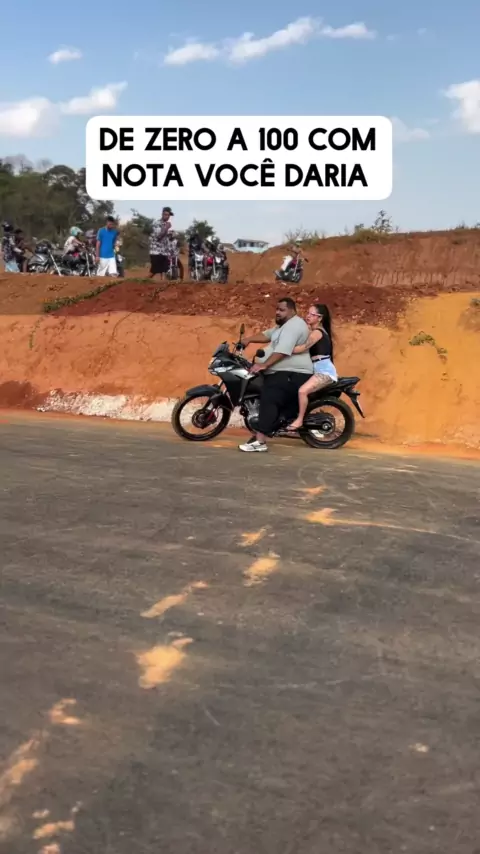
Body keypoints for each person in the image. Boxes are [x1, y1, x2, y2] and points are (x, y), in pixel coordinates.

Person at [238, 297, 313, 452]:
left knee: (269, 396)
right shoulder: (283, 326)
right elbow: (267, 335)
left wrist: (264, 365)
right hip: (284, 372)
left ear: (292, 311)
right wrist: (248, 340)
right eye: (277, 309)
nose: (278, 312)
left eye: (282, 310)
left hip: (293, 373)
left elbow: (282, 351)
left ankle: (260, 441)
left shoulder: (294, 326)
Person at [287, 304, 337, 431]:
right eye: (308, 313)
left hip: (324, 371)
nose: (308, 316)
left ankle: (299, 420)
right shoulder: (314, 331)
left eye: (312, 314)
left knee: (302, 391)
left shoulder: (317, 333)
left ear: (320, 318)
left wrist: (285, 349)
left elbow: (302, 348)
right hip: (315, 369)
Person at [149, 206, 173, 279]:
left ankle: (163, 283)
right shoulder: (157, 223)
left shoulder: (165, 224)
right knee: (154, 271)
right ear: (162, 214)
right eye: (165, 214)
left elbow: (165, 238)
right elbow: (159, 236)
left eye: (168, 215)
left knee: (165, 269)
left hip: (163, 252)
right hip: (156, 251)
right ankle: (142, 282)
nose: (167, 217)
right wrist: (167, 228)